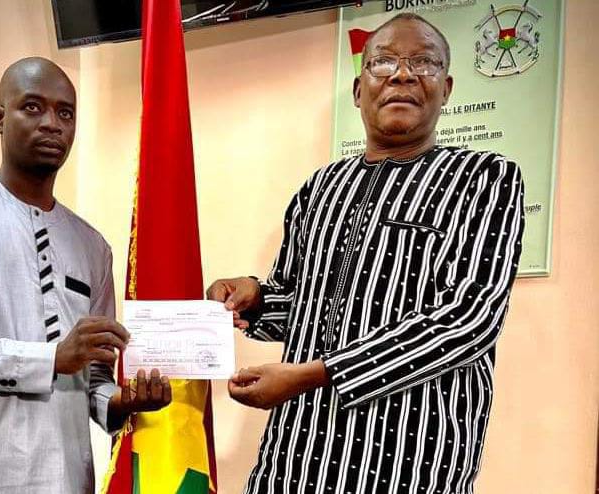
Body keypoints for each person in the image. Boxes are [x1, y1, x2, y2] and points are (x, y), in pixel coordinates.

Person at [207, 13, 525, 494]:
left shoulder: (484, 178)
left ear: (446, 88)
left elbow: (469, 319)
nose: (403, 75)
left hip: (408, 464)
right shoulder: (321, 188)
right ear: (359, 91)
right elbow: (302, 307)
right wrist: (252, 300)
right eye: (383, 63)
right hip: (295, 459)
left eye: (424, 62)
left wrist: (320, 373)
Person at [0, 57, 171, 494]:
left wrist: (122, 403)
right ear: (0, 118)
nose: (52, 124)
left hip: (67, 478)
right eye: (32, 107)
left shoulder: (93, 247)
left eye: (66, 113)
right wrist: (50, 358)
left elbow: (95, 379)